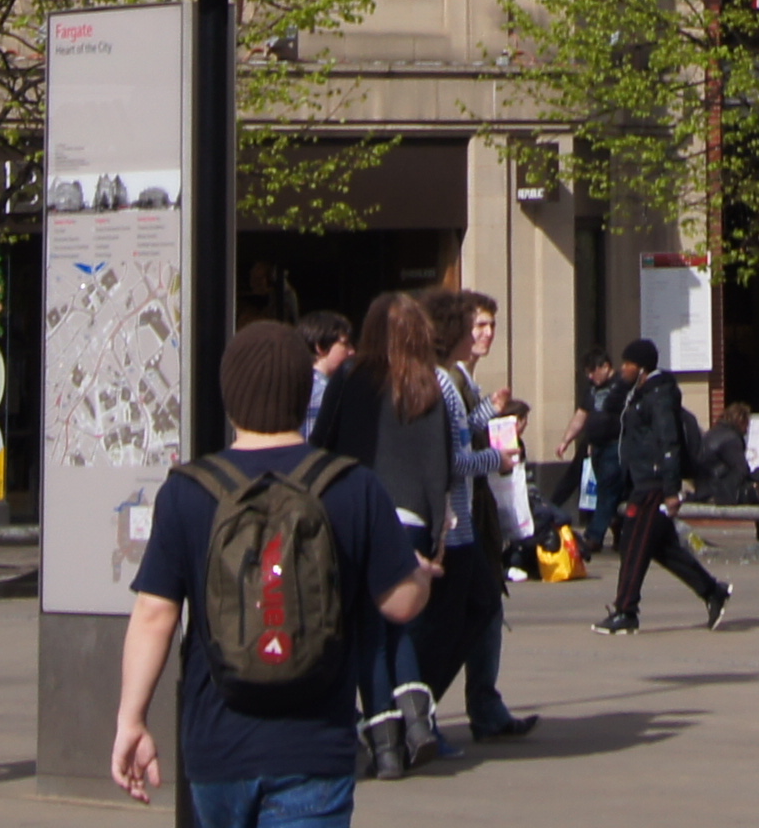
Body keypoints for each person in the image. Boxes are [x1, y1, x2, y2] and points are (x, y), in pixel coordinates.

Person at [111, 316, 434, 828]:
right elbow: (401, 603)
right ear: (305, 394)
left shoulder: (187, 491)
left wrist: (132, 719)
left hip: (217, 746)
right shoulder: (352, 485)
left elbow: (154, 615)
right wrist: (419, 573)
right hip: (314, 747)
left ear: (230, 395)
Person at [307, 296, 458, 766]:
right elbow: (440, 465)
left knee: (367, 631)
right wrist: (436, 532)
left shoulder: (350, 378)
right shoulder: (428, 383)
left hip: (358, 514)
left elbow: (322, 443)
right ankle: (417, 720)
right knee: (401, 623)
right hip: (412, 519)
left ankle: (386, 745)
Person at [424, 288, 534, 745]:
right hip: (454, 523)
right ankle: (421, 710)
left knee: (478, 609)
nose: (486, 333)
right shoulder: (446, 381)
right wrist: (496, 458)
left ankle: (456, 707)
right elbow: (452, 456)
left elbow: (460, 433)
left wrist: (489, 410)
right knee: (465, 614)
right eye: (478, 325)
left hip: (464, 519)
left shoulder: (457, 381)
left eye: (491, 325)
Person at [589, 337, 727, 634]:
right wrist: (623, 384)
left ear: (642, 367)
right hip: (639, 478)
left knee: (633, 544)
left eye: (628, 364)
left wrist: (671, 489)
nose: (622, 368)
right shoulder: (637, 393)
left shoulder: (660, 395)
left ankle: (626, 611)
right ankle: (713, 591)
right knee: (663, 549)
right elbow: (609, 408)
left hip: (653, 482)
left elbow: (669, 442)